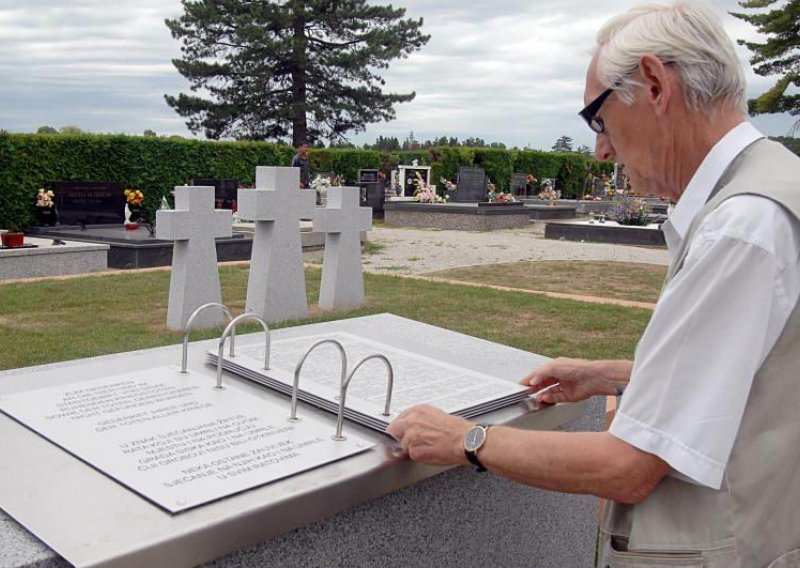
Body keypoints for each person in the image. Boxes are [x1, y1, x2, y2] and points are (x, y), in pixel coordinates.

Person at [387, 2, 800, 566]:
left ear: (654, 84)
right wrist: (616, 375)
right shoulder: (779, 183)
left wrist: (465, 440)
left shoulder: (742, 224)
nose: (601, 149)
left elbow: (629, 467)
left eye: (599, 120)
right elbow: (762, 370)